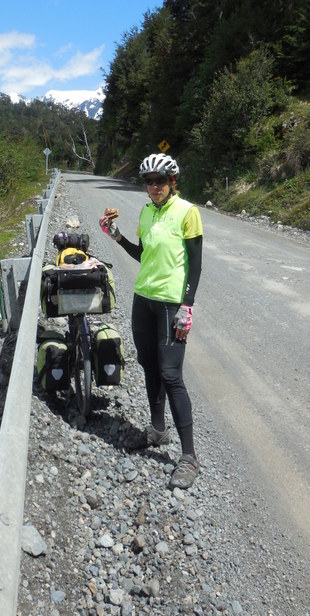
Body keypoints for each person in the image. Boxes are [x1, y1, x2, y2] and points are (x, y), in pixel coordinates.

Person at [99, 152, 203, 490]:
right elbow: (143, 254)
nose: (154, 186)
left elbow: (195, 263)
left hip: (172, 303)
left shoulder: (188, 212)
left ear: (172, 183)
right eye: (149, 181)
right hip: (143, 299)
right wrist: (115, 236)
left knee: (171, 374)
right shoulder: (146, 212)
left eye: (160, 181)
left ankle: (189, 457)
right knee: (148, 364)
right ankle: (158, 431)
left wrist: (187, 305)